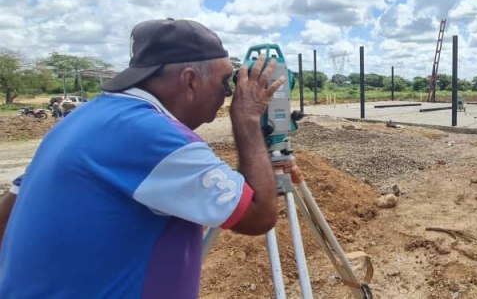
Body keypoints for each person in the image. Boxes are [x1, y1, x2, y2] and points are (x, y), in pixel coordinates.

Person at [0, 18, 286, 298]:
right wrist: (248, 119)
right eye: (226, 82)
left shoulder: (80, 119)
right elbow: (259, 216)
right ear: (190, 81)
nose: (229, 94)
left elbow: (12, 205)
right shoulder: (155, 137)